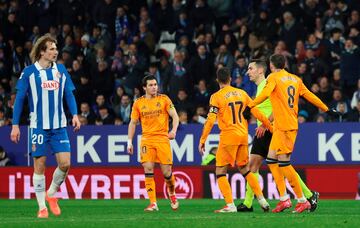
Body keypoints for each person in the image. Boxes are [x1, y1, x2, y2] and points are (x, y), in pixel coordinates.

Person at [245, 54, 338, 213]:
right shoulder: (295, 79)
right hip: (284, 125)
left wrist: (249, 104)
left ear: (272, 66)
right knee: (272, 159)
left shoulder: (273, 77)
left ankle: (303, 200)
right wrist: (326, 109)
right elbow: (310, 95)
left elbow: (265, 94)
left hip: (285, 126)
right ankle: (284, 199)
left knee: (284, 163)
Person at [10, 34, 81, 218]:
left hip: (59, 126)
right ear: (42, 51)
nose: (55, 52)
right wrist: (15, 125)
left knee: (65, 164)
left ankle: (50, 195)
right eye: (51, 49)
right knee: (39, 166)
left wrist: (74, 115)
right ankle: (42, 207)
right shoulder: (29, 73)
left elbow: (69, 95)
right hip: (38, 126)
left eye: (56, 48)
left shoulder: (61, 70)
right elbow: (19, 99)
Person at [198, 67, 272, 213]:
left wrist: (202, 139)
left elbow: (210, 119)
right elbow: (256, 111)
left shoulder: (216, 97)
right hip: (243, 135)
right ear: (230, 79)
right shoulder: (242, 93)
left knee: (220, 171)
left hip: (229, 136)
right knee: (245, 169)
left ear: (217, 80)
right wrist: (269, 125)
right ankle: (262, 199)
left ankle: (230, 205)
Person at [127, 74, 180, 212]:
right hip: (147, 139)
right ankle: (153, 203)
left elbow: (175, 116)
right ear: (144, 87)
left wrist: (173, 130)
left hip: (163, 139)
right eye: (150, 85)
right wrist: (129, 142)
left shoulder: (164, 99)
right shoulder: (138, 103)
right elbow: (133, 123)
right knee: (148, 169)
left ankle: (172, 193)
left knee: (167, 173)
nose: (154, 87)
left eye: (155, 84)